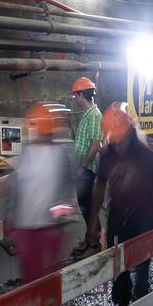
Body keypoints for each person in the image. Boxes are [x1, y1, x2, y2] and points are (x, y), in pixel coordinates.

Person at [86, 103, 153, 306]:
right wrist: (92, 223)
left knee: (142, 271)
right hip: (117, 218)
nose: (119, 142)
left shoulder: (147, 155)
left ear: (130, 131)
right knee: (119, 272)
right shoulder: (108, 155)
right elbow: (99, 188)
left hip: (143, 218)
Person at [9, 103, 78, 306]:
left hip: (46, 229)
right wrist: (14, 221)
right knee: (31, 282)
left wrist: (56, 223)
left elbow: (66, 195)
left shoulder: (60, 155)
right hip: (27, 228)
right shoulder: (27, 153)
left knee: (38, 283)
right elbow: (19, 188)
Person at [68, 76, 102, 259]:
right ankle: (89, 239)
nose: (75, 99)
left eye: (75, 96)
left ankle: (95, 243)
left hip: (86, 170)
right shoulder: (88, 115)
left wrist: (83, 166)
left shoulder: (95, 115)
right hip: (82, 169)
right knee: (84, 206)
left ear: (82, 95)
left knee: (89, 207)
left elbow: (95, 144)